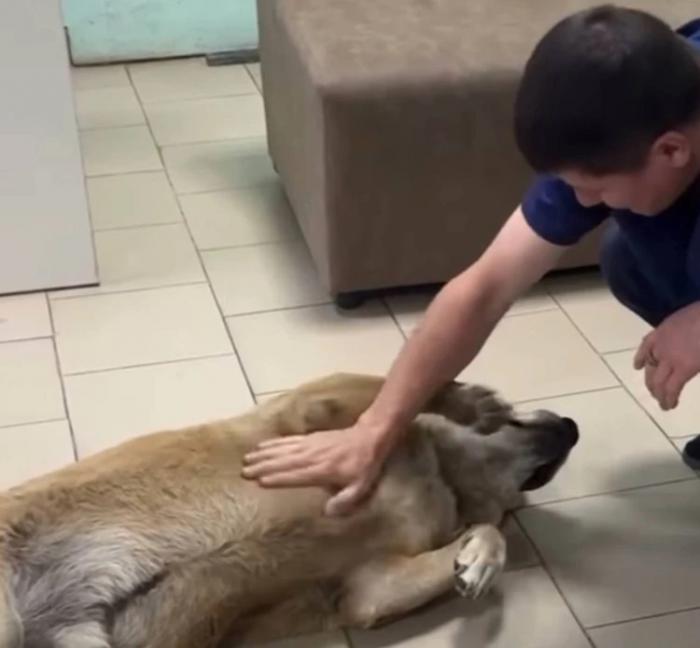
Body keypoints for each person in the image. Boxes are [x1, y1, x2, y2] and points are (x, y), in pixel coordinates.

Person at [243, 6, 700, 515]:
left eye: (596, 188)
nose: (584, 202)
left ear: (671, 151)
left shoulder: (654, 136)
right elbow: (485, 287)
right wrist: (374, 429)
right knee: (628, 259)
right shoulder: (625, 125)